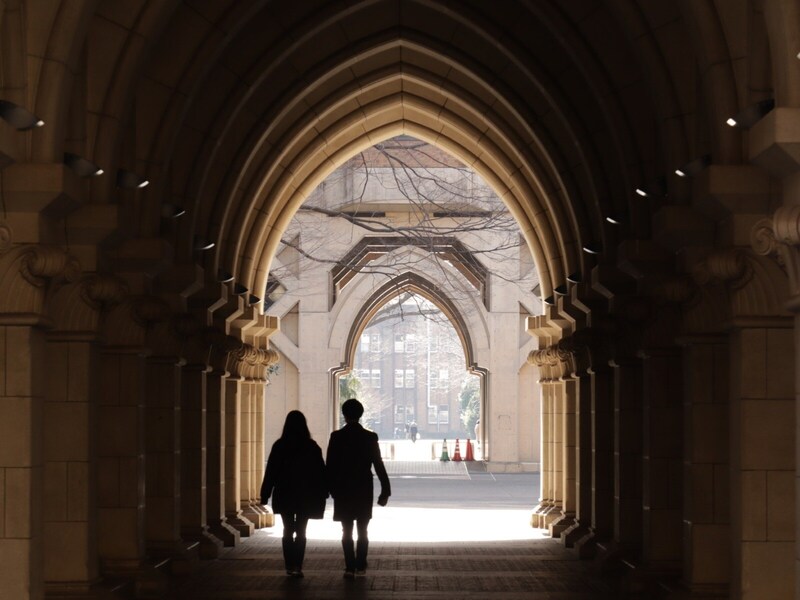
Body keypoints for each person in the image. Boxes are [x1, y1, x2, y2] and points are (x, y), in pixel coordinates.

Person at [326, 398, 391, 578]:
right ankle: (361, 565)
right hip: (363, 488)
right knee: (363, 529)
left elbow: (330, 465)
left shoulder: (336, 437)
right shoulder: (370, 437)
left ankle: (349, 567)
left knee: (346, 530)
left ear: (344, 415)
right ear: (361, 414)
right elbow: (378, 465)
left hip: (343, 489)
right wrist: (385, 490)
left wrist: (328, 488)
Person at [260, 410, 327, 578]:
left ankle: (289, 564)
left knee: (287, 529)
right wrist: (325, 492)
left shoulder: (280, 446)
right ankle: (298, 565)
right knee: (302, 531)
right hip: (305, 495)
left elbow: (271, 472)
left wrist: (265, 494)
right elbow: (320, 472)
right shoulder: (312, 446)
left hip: (285, 493)